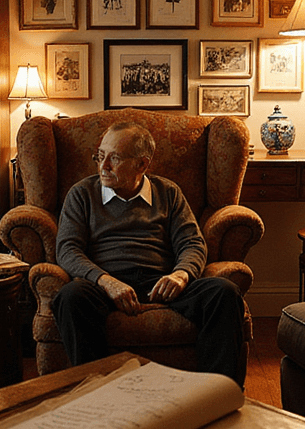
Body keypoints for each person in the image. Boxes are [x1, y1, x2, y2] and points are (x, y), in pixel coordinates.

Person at [52, 121, 246, 386]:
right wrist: (106, 281)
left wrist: (181, 275)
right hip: (104, 285)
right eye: (100, 155)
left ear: (142, 165)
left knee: (223, 292)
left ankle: (220, 393)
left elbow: (192, 243)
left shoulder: (168, 192)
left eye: (115, 158)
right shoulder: (82, 194)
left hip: (161, 283)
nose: (103, 165)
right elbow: (67, 250)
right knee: (70, 297)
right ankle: (94, 391)